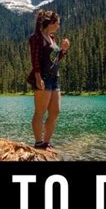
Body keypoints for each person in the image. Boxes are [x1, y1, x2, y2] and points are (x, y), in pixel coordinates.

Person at [27, 11, 70, 152]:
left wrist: (63, 50)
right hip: (43, 78)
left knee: (55, 111)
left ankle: (46, 143)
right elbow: (35, 60)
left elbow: (55, 60)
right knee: (40, 112)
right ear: (50, 23)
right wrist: (38, 78)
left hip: (54, 78)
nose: (59, 26)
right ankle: (39, 143)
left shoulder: (52, 38)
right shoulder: (36, 38)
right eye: (57, 23)